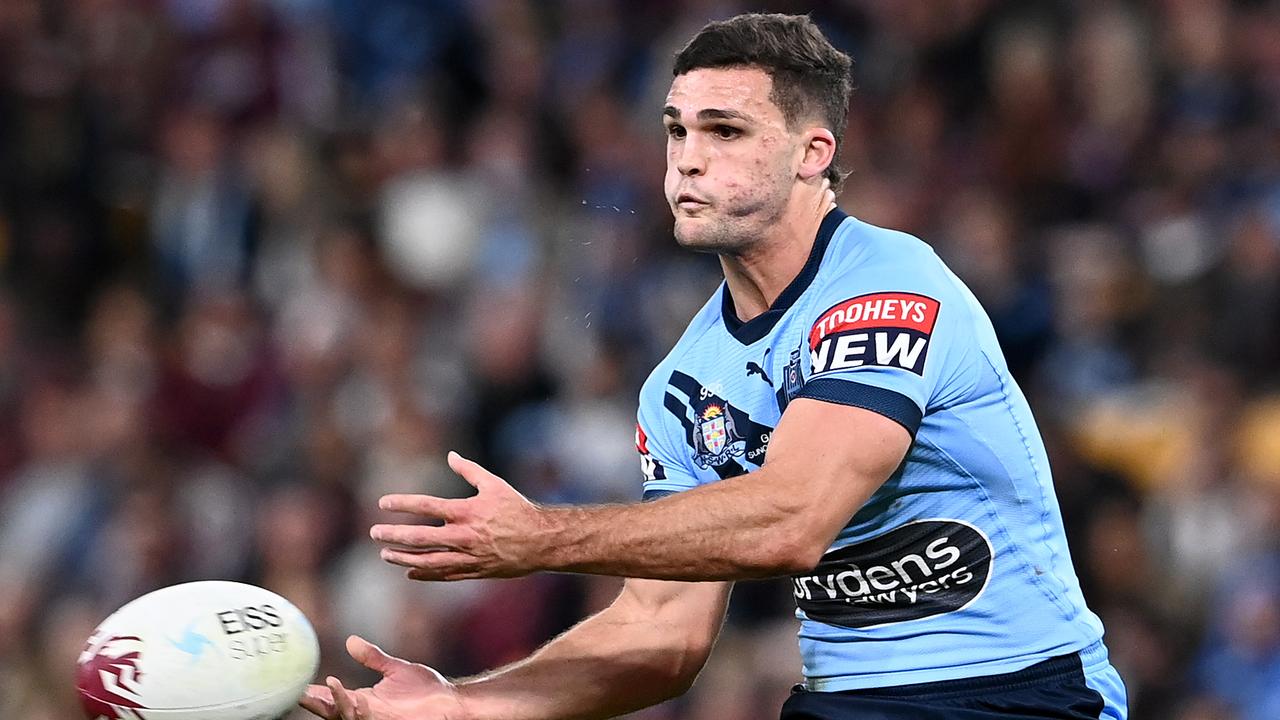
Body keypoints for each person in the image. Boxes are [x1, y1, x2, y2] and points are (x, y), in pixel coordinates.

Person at [301, 13, 1128, 720]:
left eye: (724, 131)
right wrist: (467, 703)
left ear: (812, 153)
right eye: (676, 129)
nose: (686, 160)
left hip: (1014, 692)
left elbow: (793, 520)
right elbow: (665, 632)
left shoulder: (888, 286)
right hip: (843, 702)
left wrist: (542, 537)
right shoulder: (684, 383)